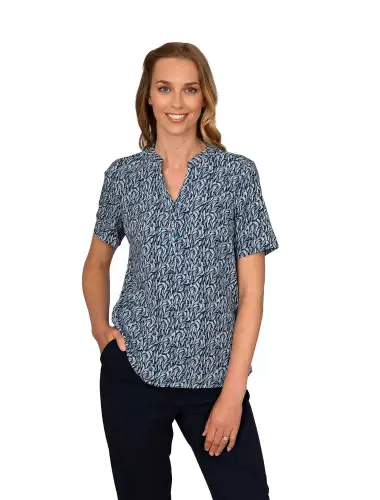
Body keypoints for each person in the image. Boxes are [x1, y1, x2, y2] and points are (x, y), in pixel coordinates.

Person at [82, 42, 279, 500]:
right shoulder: (123, 176)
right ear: (148, 97)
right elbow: (96, 262)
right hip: (134, 371)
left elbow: (251, 294)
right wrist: (101, 331)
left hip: (215, 378)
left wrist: (233, 393)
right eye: (165, 88)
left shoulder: (237, 175)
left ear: (204, 97)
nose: (177, 102)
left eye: (189, 89)